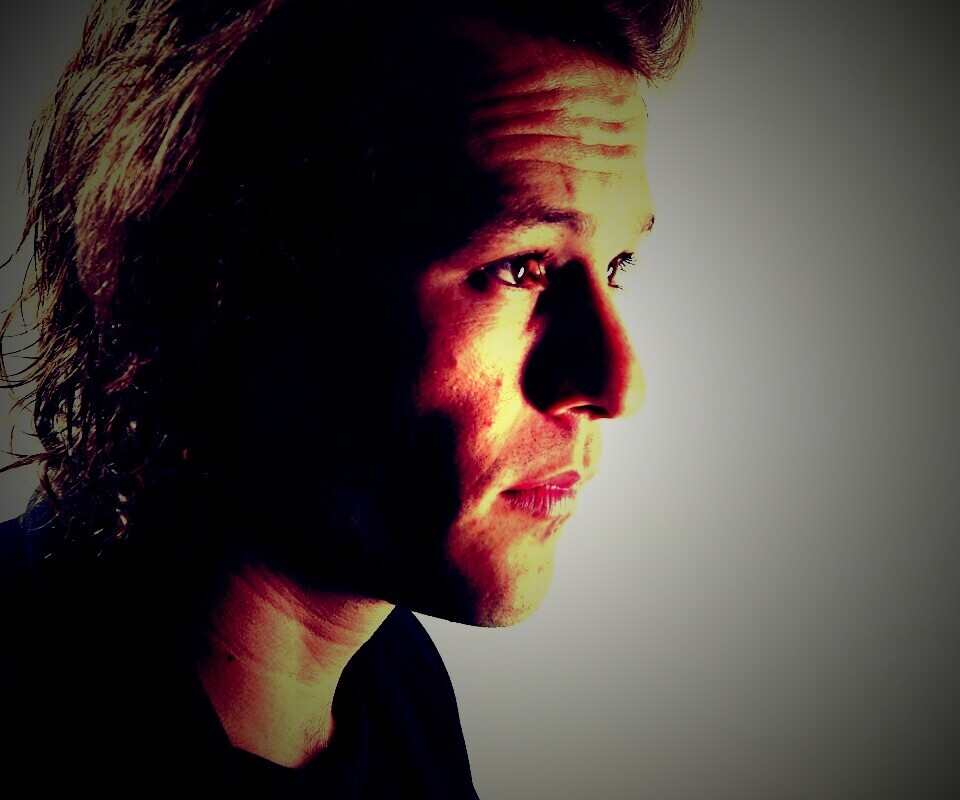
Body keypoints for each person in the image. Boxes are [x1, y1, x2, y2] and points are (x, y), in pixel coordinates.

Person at [0, 0, 697, 795]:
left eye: (617, 266)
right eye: (519, 267)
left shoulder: (394, 678)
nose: (618, 384)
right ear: (221, 279)